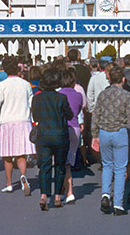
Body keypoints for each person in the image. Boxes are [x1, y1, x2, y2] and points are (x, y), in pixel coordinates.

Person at [92, 66, 130, 216]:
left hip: (104, 131)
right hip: (120, 132)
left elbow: (95, 115)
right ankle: (118, 204)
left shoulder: (102, 95)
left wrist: (94, 135)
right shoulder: (127, 96)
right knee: (120, 169)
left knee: (107, 166)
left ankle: (105, 194)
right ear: (123, 79)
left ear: (109, 78)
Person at [0, 56, 35, 194]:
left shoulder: (2, 85)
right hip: (23, 121)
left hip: (7, 122)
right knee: (21, 155)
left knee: (7, 155)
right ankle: (23, 176)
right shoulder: (25, 84)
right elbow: (31, 104)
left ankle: (9, 183)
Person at [31, 68, 74, 210]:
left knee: (44, 166)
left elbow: (35, 116)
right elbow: (69, 115)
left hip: (43, 136)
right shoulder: (61, 98)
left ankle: (44, 195)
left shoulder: (36, 98)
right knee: (60, 166)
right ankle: (57, 196)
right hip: (60, 135)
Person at [58, 68, 84, 203]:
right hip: (75, 127)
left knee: (63, 161)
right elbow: (79, 110)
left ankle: (68, 191)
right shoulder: (78, 95)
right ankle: (65, 189)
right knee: (69, 159)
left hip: (62, 127)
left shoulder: (59, 94)